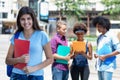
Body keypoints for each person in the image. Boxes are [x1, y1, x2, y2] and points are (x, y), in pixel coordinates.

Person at [5, 6, 53, 80]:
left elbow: (50, 59)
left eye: (28, 18)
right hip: (17, 75)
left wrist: (34, 68)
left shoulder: (42, 35)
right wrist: (19, 60)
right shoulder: (16, 36)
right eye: (23, 19)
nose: (26, 22)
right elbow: (7, 60)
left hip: (36, 76)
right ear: (19, 21)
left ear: (33, 19)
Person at [92, 16, 120, 80]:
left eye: (99, 27)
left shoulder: (111, 36)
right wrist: (96, 54)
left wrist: (105, 56)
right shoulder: (99, 37)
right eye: (96, 27)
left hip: (108, 66)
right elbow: (98, 49)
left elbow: (119, 50)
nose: (97, 28)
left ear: (104, 26)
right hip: (100, 65)